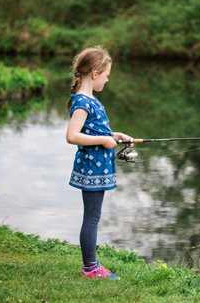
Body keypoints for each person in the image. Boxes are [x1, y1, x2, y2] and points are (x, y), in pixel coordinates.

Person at [66, 46, 132, 280]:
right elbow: (72, 136)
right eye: (106, 75)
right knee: (92, 217)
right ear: (95, 73)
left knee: (93, 216)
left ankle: (91, 265)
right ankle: (91, 268)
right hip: (92, 169)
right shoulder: (84, 102)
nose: (107, 79)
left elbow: (93, 131)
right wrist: (104, 139)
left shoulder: (89, 99)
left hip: (98, 167)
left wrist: (114, 136)